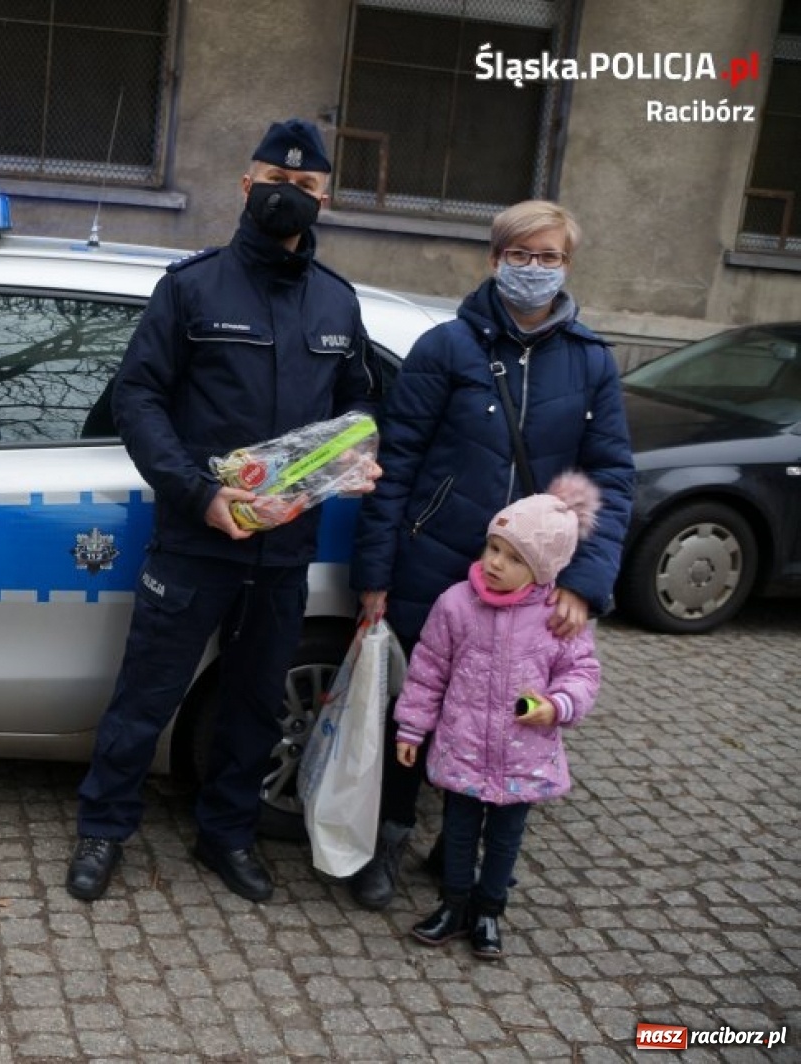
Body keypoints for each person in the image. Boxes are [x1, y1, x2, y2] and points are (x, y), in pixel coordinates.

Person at [67, 119, 380, 903]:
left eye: (304, 186)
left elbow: (358, 410)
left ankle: (227, 835)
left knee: (253, 704)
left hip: (284, 549)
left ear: (325, 199)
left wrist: (354, 462)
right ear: (246, 185)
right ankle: (103, 830)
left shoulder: (337, 302)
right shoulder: (191, 287)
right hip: (195, 539)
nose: (287, 195)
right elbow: (138, 399)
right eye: (275, 180)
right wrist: (200, 495)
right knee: (146, 696)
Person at [346, 199, 634, 911]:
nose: (535, 268)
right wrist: (375, 574)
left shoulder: (591, 361)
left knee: (502, 710)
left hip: (533, 583)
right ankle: (390, 836)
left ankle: (457, 846)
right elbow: (397, 464)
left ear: (567, 264)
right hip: (436, 561)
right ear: (495, 259)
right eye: (521, 255)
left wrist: (584, 582)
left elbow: (610, 477)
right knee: (416, 704)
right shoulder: (446, 347)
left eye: (549, 256)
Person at [393, 474, 603, 959]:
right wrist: (412, 727)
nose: (495, 564)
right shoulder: (456, 604)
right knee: (459, 832)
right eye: (493, 549)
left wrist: (558, 705)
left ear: (542, 569)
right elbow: (428, 669)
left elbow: (582, 673)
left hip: (523, 755)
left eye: (513, 558)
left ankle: (489, 910)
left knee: (505, 839)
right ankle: (453, 904)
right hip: (463, 747)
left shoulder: (555, 616)